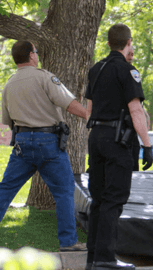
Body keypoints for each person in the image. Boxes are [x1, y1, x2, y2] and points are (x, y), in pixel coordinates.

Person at [0, 41, 88, 251]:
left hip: (22, 144)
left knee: (6, 189)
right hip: (49, 142)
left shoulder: (9, 85)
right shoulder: (45, 77)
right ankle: (68, 242)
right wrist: (88, 116)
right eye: (36, 52)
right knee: (64, 192)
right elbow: (68, 103)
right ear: (31, 55)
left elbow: (5, 122)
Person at [85, 23, 153, 270]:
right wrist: (146, 144)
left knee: (98, 200)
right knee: (114, 200)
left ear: (108, 43)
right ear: (128, 43)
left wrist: (96, 137)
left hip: (97, 137)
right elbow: (135, 109)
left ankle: (92, 258)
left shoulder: (96, 69)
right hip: (118, 140)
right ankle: (106, 259)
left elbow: (89, 111)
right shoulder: (127, 71)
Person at [125, 48, 150, 171]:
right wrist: (147, 146)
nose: (131, 57)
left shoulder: (100, 69)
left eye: (132, 55)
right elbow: (135, 110)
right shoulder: (131, 72)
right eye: (128, 54)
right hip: (125, 136)